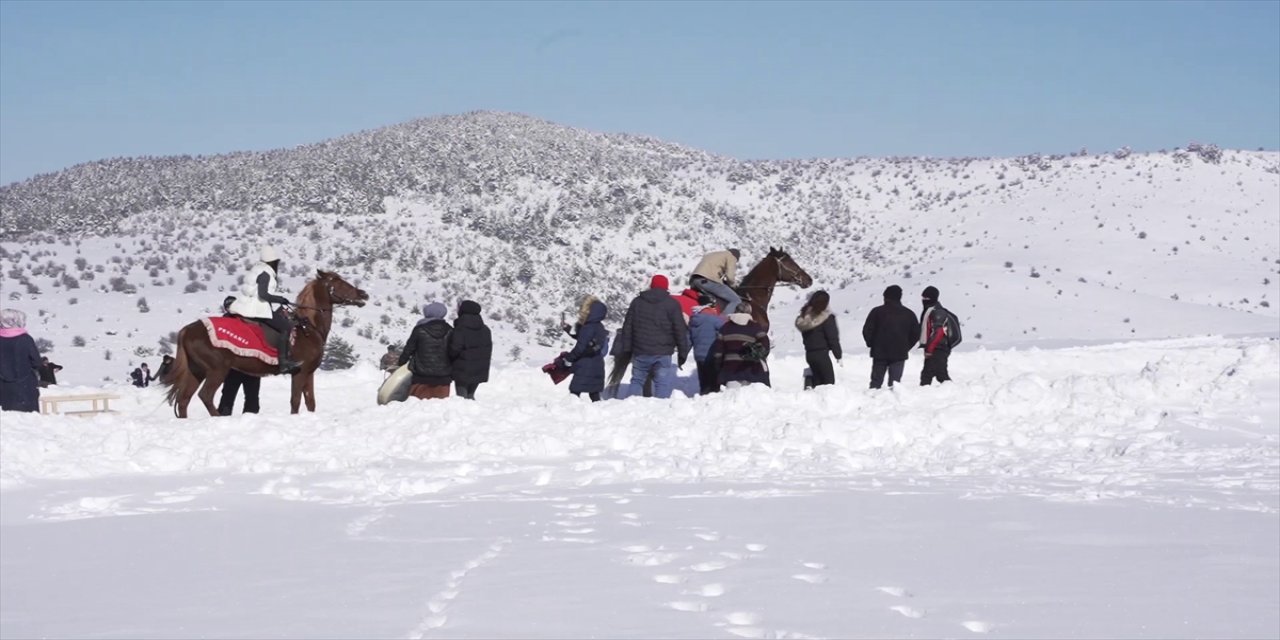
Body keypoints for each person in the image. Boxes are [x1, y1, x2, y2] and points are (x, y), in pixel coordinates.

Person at [610, 274, 690, 399]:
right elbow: (679, 331)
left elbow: (628, 327)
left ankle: (631, 406)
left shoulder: (637, 302)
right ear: (666, 287)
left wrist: (627, 348)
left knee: (637, 381)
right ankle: (659, 411)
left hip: (641, 350)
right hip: (663, 352)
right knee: (661, 383)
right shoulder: (672, 304)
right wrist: (682, 354)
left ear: (652, 285)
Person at [228, 246, 301, 374]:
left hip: (248, 306)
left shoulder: (257, 270)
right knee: (286, 326)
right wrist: (280, 299)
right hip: (257, 309)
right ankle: (284, 363)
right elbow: (263, 295)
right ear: (272, 263)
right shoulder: (265, 274)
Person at [861, 285, 919, 389]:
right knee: (895, 385)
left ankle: (872, 402)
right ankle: (894, 403)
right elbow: (915, 334)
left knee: (875, 383)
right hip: (899, 353)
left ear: (886, 297)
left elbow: (867, 330)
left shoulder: (876, 312)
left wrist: (872, 344)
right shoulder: (909, 314)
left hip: (879, 352)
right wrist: (906, 346)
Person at [397, 302, 454, 399]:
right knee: (439, 406)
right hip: (443, 378)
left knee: (419, 406)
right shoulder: (450, 330)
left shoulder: (419, 329)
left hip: (421, 375)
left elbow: (409, 348)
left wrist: (401, 362)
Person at [559, 295, 610, 402]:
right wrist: (569, 330)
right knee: (594, 393)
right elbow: (586, 340)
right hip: (597, 363)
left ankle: (570, 413)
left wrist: (568, 359)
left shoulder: (588, 327)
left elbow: (580, 347)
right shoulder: (598, 326)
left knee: (575, 392)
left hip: (585, 365)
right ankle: (599, 413)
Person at [217, 295, 260, 414]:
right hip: (238, 366)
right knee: (230, 396)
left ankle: (248, 420)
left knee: (250, 398)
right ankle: (227, 419)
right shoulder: (227, 323)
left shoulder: (246, 319)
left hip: (245, 365)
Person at [714, 302, 770, 389]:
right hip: (752, 370)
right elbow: (765, 345)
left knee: (732, 399)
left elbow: (718, 352)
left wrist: (719, 368)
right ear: (749, 313)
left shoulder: (725, 327)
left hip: (730, 371)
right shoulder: (755, 326)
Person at [795, 290, 843, 388]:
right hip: (822, 354)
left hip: (809, 354)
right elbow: (832, 338)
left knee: (817, 383)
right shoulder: (826, 318)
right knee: (829, 384)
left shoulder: (805, 317)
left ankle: (809, 392)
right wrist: (838, 355)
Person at [449, 300, 493, 400]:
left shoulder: (460, 329)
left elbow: (454, 349)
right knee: (470, 396)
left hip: (462, 369)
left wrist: (449, 358)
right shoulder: (485, 330)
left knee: (461, 399)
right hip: (479, 369)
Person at [918, 286, 962, 385]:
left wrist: (929, 350)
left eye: (926, 298)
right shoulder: (930, 310)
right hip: (936, 347)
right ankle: (926, 395)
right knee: (928, 375)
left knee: (939, 375)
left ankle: (954, 393)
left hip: (939, 348)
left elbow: (938, 333)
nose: (923, 300)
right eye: (923, 298)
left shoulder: (937, 312)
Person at [0, 309, 42, 412]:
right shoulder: (25, 339)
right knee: (28, 421)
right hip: (25, 386)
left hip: (3, 387)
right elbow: (37, 362)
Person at [688, 294, 726, 394]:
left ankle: (703, 397)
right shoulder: (713, 319)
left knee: (704, 382)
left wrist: (682, 355)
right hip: (711, 354)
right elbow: (726, 329)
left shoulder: (693, 320)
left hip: (698, 355)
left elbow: (688, 339)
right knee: (713, 383)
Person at [688, 248, 743, 314]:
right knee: (736, 300)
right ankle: (723, 320)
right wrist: (734, 285)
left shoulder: (713, 254)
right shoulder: (731, 256)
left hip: (694, 280)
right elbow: (730, 277)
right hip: (707, 280)